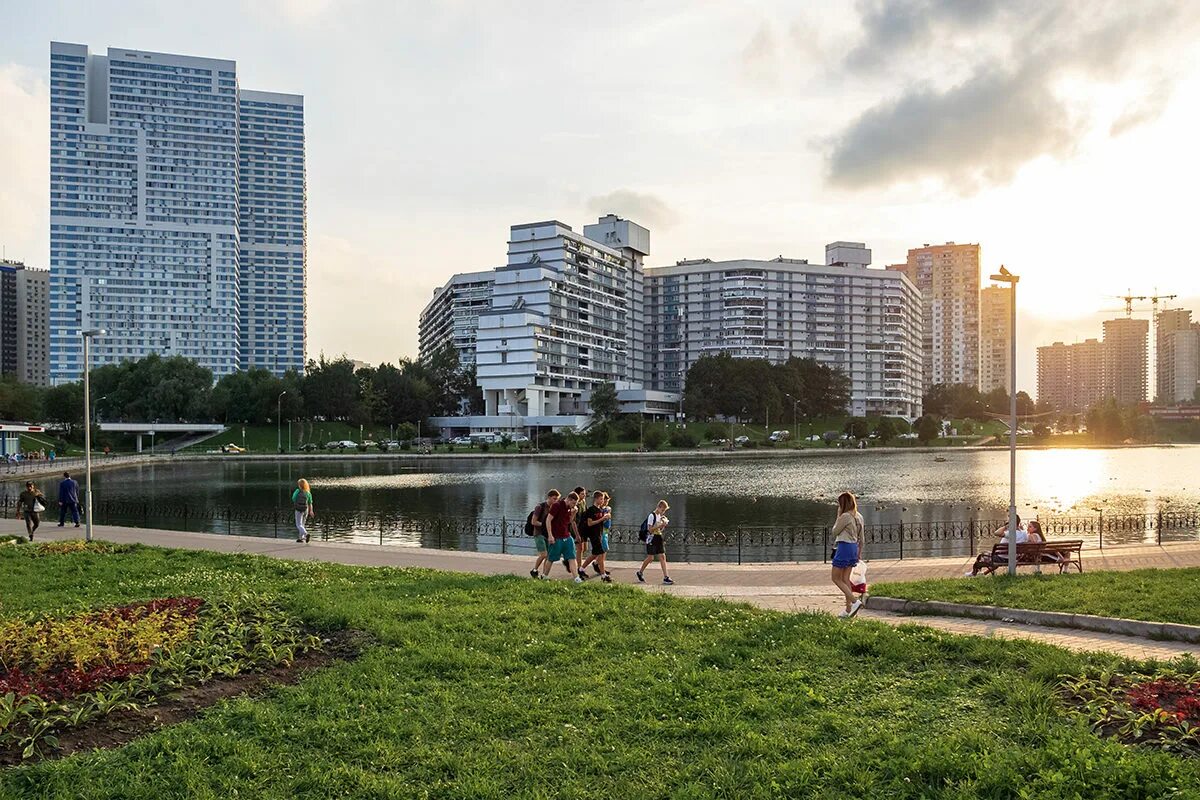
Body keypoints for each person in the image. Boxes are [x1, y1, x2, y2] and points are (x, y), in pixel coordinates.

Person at [830, 492, 866, 618]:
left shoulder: (845, 516)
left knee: (835, 578)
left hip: (844, 546)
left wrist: (838, 516)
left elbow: (835, 531)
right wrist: (859, 552)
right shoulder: (859, 516)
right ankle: (848, 609)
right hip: (853, 548)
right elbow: (862, 538)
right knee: (845, 579)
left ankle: (855, 602)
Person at [543, 491, 582, 582]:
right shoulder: (557, 505)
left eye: (575, 504)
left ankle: (576, 577)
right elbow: (548, 520)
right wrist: (550, 535)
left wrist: (573, 513)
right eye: (573, 503)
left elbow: (568, 521)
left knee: (572, 557)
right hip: (556, 537)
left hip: (567, 536)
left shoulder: (569, 508)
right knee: (551, 558)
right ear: (568, 499)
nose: (574, 505)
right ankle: (544, 575)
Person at [637, 500, 674, 585]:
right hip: (651, 538)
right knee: (650, 558)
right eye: (663, 510)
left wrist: (663, 526)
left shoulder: (659, 516)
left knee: (662, 556)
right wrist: (659, 525)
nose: (663, 512)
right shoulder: (652, 515)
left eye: (664, 510)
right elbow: (650, 529)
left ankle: (666, 577)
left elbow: (659, 529)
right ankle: (640, 572)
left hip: (658, 537)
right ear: (659, 507)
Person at [579, 491, 612, 583]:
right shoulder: (591, 510)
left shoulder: (600, 510)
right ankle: (603, 575)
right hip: (593, 535)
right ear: (596, 499)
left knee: (595, 554)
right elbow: (590, 523)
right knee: (600, 554)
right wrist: (602, 519)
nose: (602, 501)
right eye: (601, 499)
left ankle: (581, 569)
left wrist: (606, 518)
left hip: (599, 534)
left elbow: (601, 523)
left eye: (603, 499)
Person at [528, 489, 560, 579]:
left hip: (547, 534)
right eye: (554, 499)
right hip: (538, 533)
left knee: (549, 555)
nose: (555, 501)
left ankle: (544, 574)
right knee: (544, 554)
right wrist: (545, 524)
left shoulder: (554, 508)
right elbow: (533, 521)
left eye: (557, 499)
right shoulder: (540, 507)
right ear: (549, 497)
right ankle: (534, 569)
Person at [292, 478, 315, 543]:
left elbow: (293, 498)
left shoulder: (297, 491)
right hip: (306, 509)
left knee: (298, 524)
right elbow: (310, 503)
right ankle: (300, 538)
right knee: (302, 524)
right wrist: (311, 511)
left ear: (300, 485)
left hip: (298, 509)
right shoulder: (308, 493)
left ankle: (306, 534)